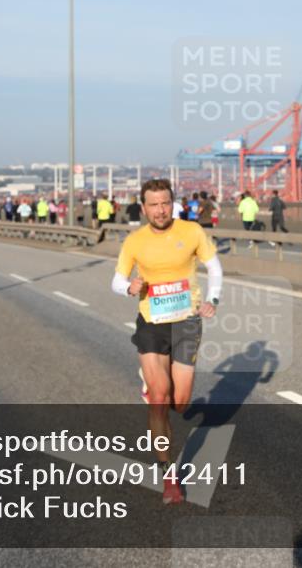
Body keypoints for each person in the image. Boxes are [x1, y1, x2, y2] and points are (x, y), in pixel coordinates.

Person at [110, 178, 222, 505]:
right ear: (143, 207)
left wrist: (213, 298)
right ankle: (169, 474)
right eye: (153, 204)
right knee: (160, 398)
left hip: (186, 321)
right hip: (151, 323)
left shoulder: (191, 232)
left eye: (165, 203)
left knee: (181, 403)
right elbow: (116, 281)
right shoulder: (134, 240)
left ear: (172, 203)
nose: (160, 210)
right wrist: (129, 288)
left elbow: (214, 267)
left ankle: (158, 389)